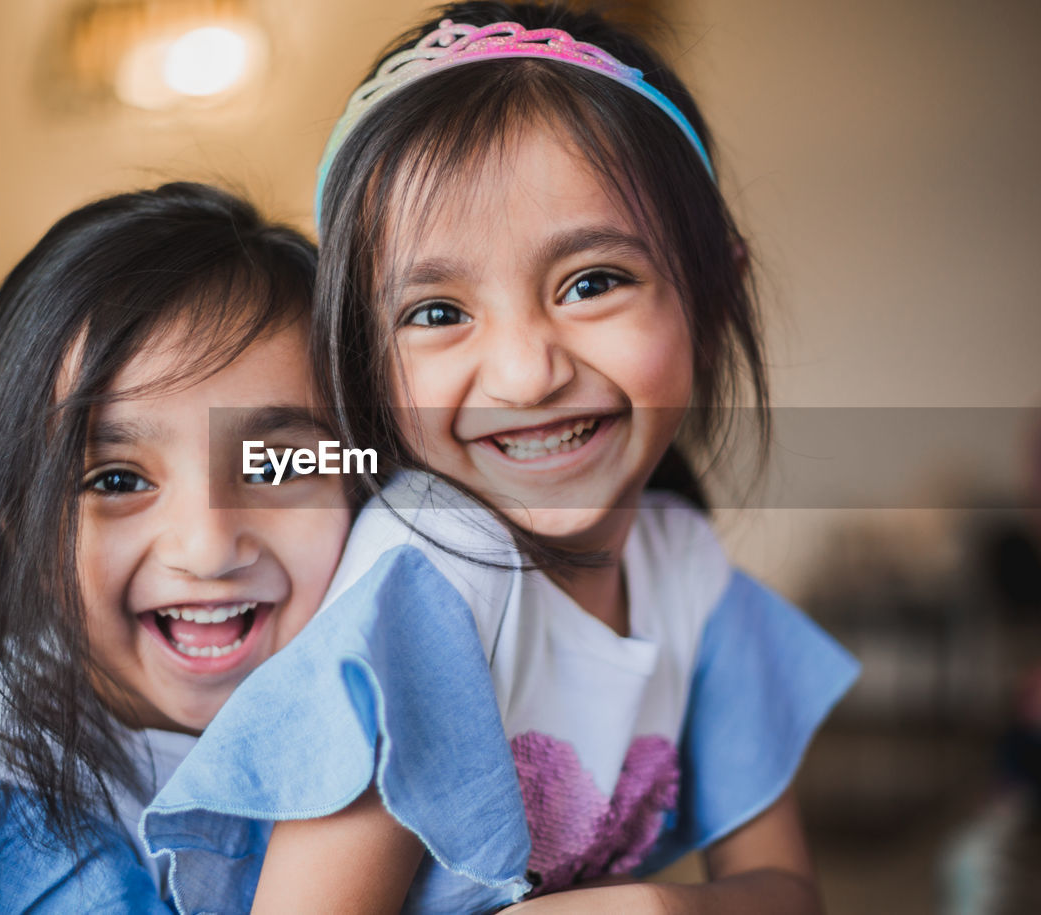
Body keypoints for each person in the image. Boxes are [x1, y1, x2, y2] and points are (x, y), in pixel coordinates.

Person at [149, 3, 859, 913]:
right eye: (437, 312)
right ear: (364, 359)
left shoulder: (687, 570)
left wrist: (657, 906)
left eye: (592, 282)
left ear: (716, 293)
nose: (526, 376)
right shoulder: (433, 578)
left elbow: (789, 890)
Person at [0, 182, 398, 910]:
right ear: (20, 530)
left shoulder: (372, 675)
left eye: (275, 465)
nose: (207, 548)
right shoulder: (23, 851)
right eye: (116, 478)